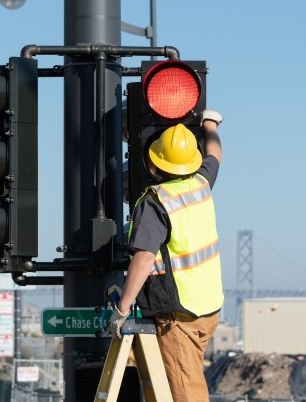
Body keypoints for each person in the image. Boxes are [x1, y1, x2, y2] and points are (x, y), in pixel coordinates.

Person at [109, 109, 224, 402]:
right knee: (185, 380)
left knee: (186, 393)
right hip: (208, 308)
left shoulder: (155, 202)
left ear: (154, 163)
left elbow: (144, 258)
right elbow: (215, 154)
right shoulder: (201, 183)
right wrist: (210, 123)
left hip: (179, 314)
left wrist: (122, 309)